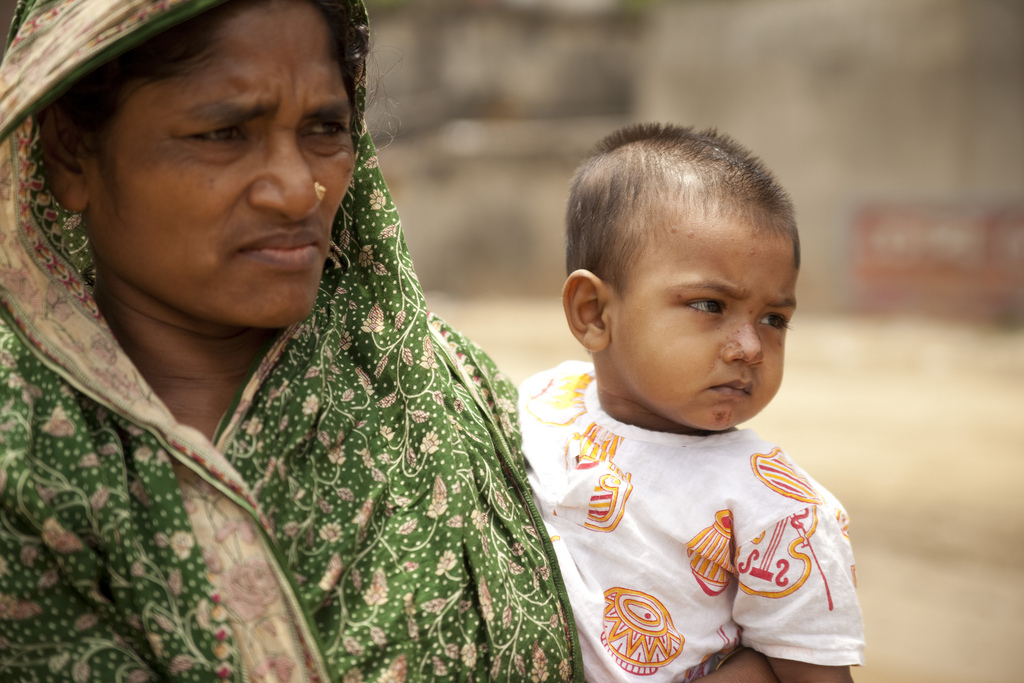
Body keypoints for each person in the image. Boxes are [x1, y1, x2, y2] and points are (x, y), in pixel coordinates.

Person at [0, 0, 585, 679]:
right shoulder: (26, 452)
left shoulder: (441, 390)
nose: (296, 190)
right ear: (72, 151)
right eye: (223, 133)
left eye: (325, 128)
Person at [520, 123, 865, 682]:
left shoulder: (780, 512)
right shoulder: (541, 404)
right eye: (710, 305)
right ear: (593, 312)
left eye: (775, 319)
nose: (751, 347)